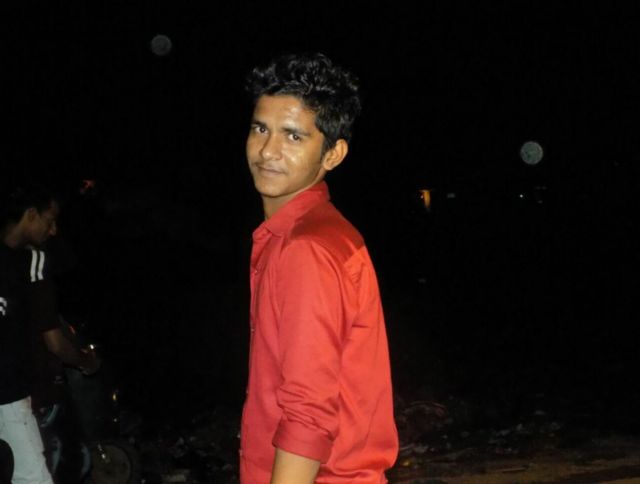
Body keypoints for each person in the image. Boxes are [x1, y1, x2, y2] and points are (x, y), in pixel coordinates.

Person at [240, 53, 398, 483]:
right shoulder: (319, 235)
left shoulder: (306, 249)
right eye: (261, 128)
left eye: (294, 136)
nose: (268, 150)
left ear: (333, 154)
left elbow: (307, 413)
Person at [0, 185, 98, 483]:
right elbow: (54, 341)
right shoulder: (31, 261)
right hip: (9, 393)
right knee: (33, 477)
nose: (53, 230)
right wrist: (86, 361)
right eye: (50, 220)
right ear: (31, 214)